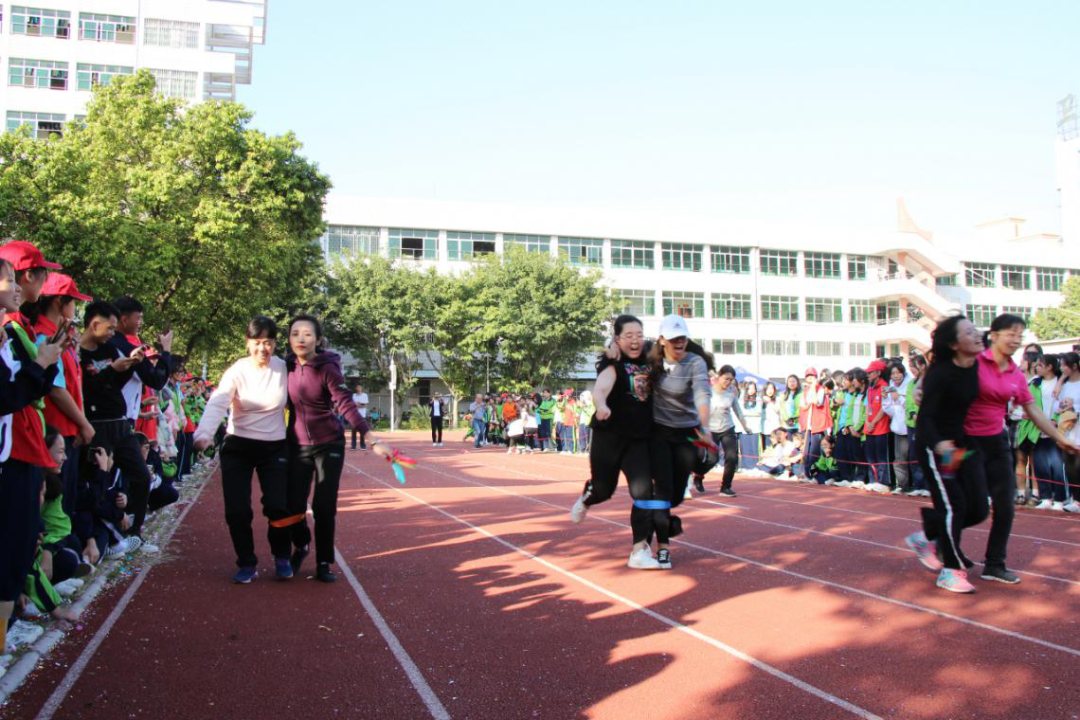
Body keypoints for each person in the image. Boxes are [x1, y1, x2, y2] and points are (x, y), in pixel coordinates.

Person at [964, 314, 1079, 584]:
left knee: (1005, 505)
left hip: (997, 441)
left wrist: (1060, 438)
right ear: (994, 336)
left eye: (1020, 335)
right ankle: (939, 540)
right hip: (967, 441)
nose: (1016, 340)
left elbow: (1033, 409)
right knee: (973, 505)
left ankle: (994, 564)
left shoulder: (1015, 373)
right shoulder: (973, 364)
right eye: (1011, 334)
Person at [283, 315, 395, 583]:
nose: (300, 339)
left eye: (307, 334)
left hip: (328, 444)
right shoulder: (283, 367)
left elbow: (345, 403)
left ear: (318, 339)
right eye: (295, 333)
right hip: (296, 444)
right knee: (292, 504)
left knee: (323, 506)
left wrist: (372, 440)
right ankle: (301, 544)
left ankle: (323, 561)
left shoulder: (327, 368)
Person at [193, 316, 294, 584]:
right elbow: (218, 402)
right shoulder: (237, 371)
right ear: (248, 342)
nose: (263, 348)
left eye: (268, 342)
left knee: (277, 506)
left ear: (275, 344)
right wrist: (204, 434)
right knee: (237, 510)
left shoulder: (283, 368)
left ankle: (282, 555)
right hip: (239, 446)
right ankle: (247, 562)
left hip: (274, 447)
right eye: (257, 342)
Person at [0, 249, 65, 650]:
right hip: (11, 455)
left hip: (17, 450)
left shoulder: (11, 332)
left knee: (18, 545)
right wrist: (41, 364)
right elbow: (9, 396)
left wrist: (47, 360)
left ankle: (4, 638)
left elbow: (30, 385)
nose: (15, 289)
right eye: (7, 280)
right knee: (10, 547)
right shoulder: (11, 330)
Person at [569, 315, 662, 570]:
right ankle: (587, 497)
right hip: (609, 436)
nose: (635, 340)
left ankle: (639, 551)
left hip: (639, 438)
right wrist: (601, 406)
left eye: (639, 335)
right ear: (618, 339)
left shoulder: (652, 358)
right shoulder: (613, 361)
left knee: (645, 492)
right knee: (604, 490)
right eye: (628, 336)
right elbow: (600, 390)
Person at [905, 315, 984, 593]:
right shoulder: (941, 374)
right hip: (936, 446)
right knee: (954, 505)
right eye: (969, 332)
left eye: (975, 330)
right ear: (953, 344)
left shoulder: (977, 363)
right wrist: (939, 444)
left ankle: (928, 534)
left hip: (962, 444)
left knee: (978, 508)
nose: (977, 335)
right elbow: (925, 418)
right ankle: (950, 571)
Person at [78, 301, 161, 553]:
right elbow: (87, 389)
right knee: (98, 482)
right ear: (94, 324)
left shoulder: (110, 349)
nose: (113, 334)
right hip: (95, 426)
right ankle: (102, 539)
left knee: (142, 476)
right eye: (110, 328)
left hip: (120, 423)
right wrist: (111, 371)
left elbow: (115, 383)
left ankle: (135, 533)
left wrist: (130, 363)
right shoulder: (78, 354)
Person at [645, 315, 712, 570]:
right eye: (674, 339)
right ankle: (663, 548)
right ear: (662, 340)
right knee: (662, 490)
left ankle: (657, 518)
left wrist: (705, 427)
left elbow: (702, 394)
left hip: (686, 433)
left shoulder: (695, 362)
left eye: (682, 337)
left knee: (675, 496)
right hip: (659, 432)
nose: (679, 342)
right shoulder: (652, 362)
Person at [33, 273, 96, 518]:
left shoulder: (60, 336)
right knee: (55, 503)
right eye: (73, 301)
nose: (75, 307)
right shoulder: (44, 336)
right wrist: (84, 424)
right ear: (60, 301)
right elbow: (56, 389)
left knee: (66, 501)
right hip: (55, 430)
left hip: (68, 430)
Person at [1026, 354, 1068, 510]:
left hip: (1056, 430)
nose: (1036, 367)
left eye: (1040, 365)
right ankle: (1045, 497)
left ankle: (1059, 499)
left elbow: (1063, 403)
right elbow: (1029, 403)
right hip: (1038, 430)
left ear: (1049, 367)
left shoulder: (1061, 383)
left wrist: (1055, 419)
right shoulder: (1035, 384)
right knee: (1040, 464)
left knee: (1057, 466)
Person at [705, 365, 752, 497]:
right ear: (719, 377)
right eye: (726, 379)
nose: (728, 382)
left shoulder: (731, 392)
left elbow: (738, 410)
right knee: (712, 459)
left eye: (731, 380)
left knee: (732, 457)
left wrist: (746, 426)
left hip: (727, 428)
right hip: (711, 430)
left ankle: (725, 487)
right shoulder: (708, 391)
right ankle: (698, 475)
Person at [862, 360, 892, 491]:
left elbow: (885, 407)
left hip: (881, 427)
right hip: (869, 428)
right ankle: (873, 480)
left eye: (870, 372)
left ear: (878, 373)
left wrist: (873, 422)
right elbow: (868, 405)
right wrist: (867, 422)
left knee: (881, 457)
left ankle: (883, 482)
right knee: (870, 456)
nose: (868, 375)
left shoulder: (885, 386)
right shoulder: (870, 387)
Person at [883, 362, 912, 494]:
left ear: (903, 373)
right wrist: (886, 400)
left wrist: (899, 398)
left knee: (915, 457)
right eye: (893, 373)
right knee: (900, 458)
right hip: (898, 428)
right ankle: (902, 485)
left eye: (898, 373)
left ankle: (920, 485)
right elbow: (891, 412)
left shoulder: (910, 384)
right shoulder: (891, 387)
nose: (895, 376)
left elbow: (911, 406)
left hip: (911, 426)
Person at [799, 368, 829, 482]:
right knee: (806, 452)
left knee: (814, 453)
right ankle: (807, 474)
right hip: (808, 424)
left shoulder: (820, 389)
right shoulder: (805, 390)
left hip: (817, 425)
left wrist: (813, 388)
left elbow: (817, 402)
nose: (810, 378)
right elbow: (803, 405)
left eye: (812, 376)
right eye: (808, 376)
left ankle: (815, 475)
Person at [739, 381, 763, 470]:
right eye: (749, 388)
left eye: (753, 388)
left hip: (755, 428)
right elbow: (740, 411)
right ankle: (746, 466)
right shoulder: (742, 398)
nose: (752, 390)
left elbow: (759, 412)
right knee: (745, 448)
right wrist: (751, 413)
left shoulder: (758, 398)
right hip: (744, 428)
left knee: (754, 448)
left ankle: (755, 466)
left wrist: (747, 414)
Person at [351, 384, 369, 450]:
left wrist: (358, 404)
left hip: (362, 415)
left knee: (362, 431)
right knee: (353, 431)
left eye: (359, 387)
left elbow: (365, 405)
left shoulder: (365, 395)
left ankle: (363, 446)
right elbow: (352, 405)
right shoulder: (353, 395)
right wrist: (359, 404)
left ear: (361, 388)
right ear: (356, 388)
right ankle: (353, 446)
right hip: (354, 415)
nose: (358, 388)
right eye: (357, 387)